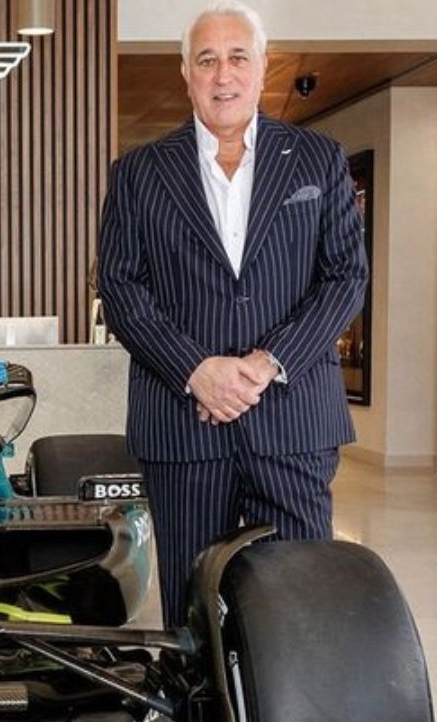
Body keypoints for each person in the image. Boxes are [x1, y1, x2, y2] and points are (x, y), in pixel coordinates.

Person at [96, 1, 367, 629]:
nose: (224, 75)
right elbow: (121, 288)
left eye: (238, 57)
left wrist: (266, 364)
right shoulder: (138, 173)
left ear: (263, 66)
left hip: (293, 423)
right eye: (208, 60)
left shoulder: (318, 162)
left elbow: (345, 278)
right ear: (186, 72)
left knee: (300, 597)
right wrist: (196, 370)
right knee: (195, 606)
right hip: (183, 427)